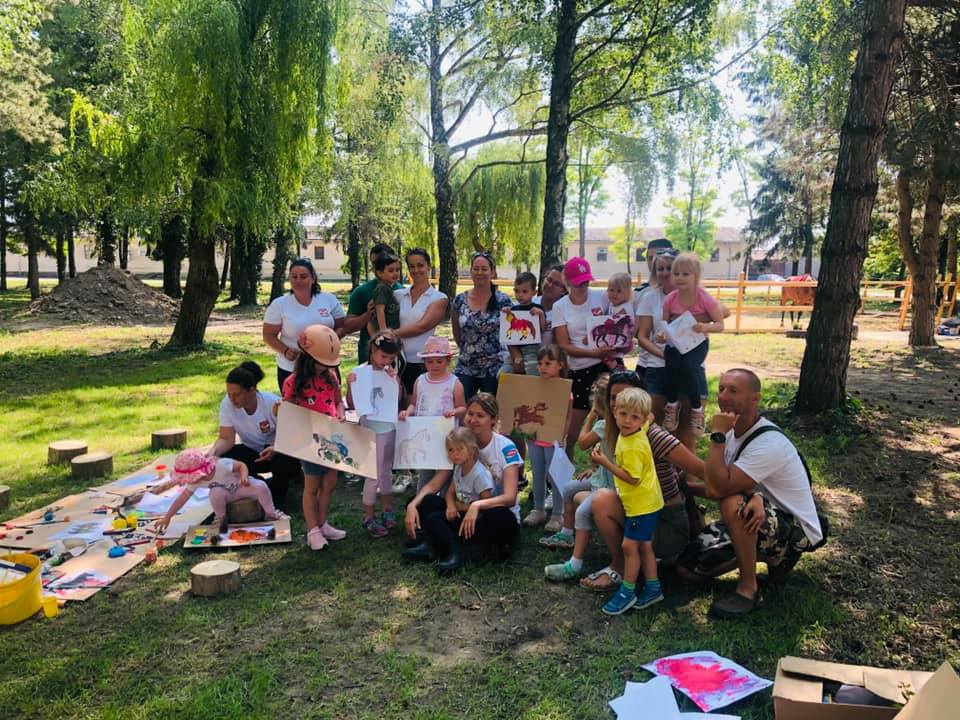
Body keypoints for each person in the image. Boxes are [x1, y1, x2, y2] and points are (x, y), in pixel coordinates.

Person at [676, 368, 825, 619]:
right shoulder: (733, 431)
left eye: (733, 390)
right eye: (721, 389)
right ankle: (769, 557)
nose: (724, 396)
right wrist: (685, 487)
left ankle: (749, 589)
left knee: (733, 502)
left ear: (755, 399)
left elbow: (720, 489)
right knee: (688, 569)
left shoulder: (767, 443)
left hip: (795, 527)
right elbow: (715, 484)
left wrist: (717, 437)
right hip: (759, 514)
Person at [576, 371, 705, 593]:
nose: (621, 402)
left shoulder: (654, 436)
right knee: (585, 497)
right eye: (614, 397)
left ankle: (621, 568)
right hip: (641, 511)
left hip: (665, 522)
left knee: (601, 500)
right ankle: (633, 565)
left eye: (627, 395)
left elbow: (702, 470)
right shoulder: (619, 432)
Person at [403, 393, 522, 569]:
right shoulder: (459, 442)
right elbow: (436, 483)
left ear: (493, 419)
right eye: (470, 414)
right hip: (463, 510)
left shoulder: (505, 447)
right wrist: (412, 505)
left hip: (490, 514)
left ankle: (446, 546)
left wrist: (476, 506)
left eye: (480, 415)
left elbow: (510, 498)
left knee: (500, 516)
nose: (473, 420)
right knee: (426, 501)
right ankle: (441, 545)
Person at [588, 388, 664, 614]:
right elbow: (649, 419)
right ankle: (653, 588)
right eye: (623, 414)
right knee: (645, 546)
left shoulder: (632, 445)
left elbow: (632, 478)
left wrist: (605, 462)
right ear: (614, 412)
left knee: (629, 546)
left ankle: (627, 591)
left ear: (641, 419)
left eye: (634, 417)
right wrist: (645, 416)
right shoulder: (637, 430)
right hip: (648, 502)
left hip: (641, 506)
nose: (627, 421)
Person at [281, 324, 346, 551]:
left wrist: (340, 414)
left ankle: (322, 523)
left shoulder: (331, 378)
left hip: (333, 438)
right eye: (322, 363)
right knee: (312, 486)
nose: (326, 367)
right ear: (308, 358)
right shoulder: (292, 382)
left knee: (329, 484)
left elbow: (338, 401)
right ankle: (313, 530)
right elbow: (288, 412)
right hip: (309, 442)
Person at [551, 257, 625, 456]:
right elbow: (564, 344)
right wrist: (592, 353)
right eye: (578, 282)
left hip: (607, 366)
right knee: (570, 433)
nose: (583, 286)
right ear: (567, 281)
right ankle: (563, 471)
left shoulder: (602, 296)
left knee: (612, 426)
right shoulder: (560, 306)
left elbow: (620, 318)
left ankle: (605, 467)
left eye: (586, 281)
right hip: (580, 370)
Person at [208, 361, 301, 504]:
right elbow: (226, 439)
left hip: (277, 452)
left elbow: (294, 435)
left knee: (287, 460)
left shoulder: (272, 403)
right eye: (229, 394)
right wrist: (213, 453)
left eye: (237, 394)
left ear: (252, 390)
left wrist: (276, 448)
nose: (232, 399)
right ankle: (255, 485)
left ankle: (277, 490)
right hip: (252, 452)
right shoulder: (227, 404)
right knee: (226, 457)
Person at [540, 374, 612, 557]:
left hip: (608, 483)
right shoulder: (608, 423)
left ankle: (577, 557)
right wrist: (594, 469)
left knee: (582, 511)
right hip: (602, 473)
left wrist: (591, 417)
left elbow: (582, 443)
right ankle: (566, 533)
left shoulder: (603, 424)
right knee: (569, 488)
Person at [658, 253, 724, 437]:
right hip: (675, 343)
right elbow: (665, 325)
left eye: (685, 274)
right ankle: (672, 405)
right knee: (670, 367)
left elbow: (720, 325)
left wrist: (705, 326)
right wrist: (662, 336)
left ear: (696, 276)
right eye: (676, 273)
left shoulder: (704, 298)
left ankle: (697, 409)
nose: (680, 278)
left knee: (688, 368)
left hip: (697, 344)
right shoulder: (670, 299)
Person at [415, 428, 496, 574]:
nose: (455, 454)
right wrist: (451, 505)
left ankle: (454, 552)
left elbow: (487, 504)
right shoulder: (459, 467)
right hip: (458, 511)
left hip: (474, 520)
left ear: (471, 449)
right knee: (428, 500)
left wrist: (461, 507)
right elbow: (450, 492)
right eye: (451, 450)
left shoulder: (479, 474)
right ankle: (429, 544)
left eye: (460, 449)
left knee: (434, 519)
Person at [154, 449, 287, 536]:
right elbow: (182, 498)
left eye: (192, 477)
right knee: (215, 492)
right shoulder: (195, 481)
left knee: (261, 486)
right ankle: (221, 518)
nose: (191, 480)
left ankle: (270, 512)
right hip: (226, 495)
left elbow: (241, 465)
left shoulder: (222, 465)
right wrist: (168, 517)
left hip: (241, 487)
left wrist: (244, 477)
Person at [347, 330, 403, 538]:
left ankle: (387, 508)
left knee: (386, 470)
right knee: (373, 474)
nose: (387, 361)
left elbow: (397, 398)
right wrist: (350, 385)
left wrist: (395, 381)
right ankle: (369, 515)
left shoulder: (390, 373)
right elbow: (352, 403)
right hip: (371, 431)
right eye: (383, 356)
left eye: (391, 358)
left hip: (389, 428)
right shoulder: (360, 373)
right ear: (372, 349)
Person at [262, 258, 345, 390]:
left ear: (313, 278)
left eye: (303, 276)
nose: (298, 280)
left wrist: (330, 341)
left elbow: (342, 326)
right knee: (295, 403)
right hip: (292, 368)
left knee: (330, 402)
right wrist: (285, 351)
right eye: (294, 276)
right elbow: (268, 335)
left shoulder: (328, 299)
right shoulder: (279, 304)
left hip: (326, 366)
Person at [399, 335, 467, 490]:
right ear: (424, 362)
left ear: (447, 360)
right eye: (429, 361)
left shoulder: (454, 383)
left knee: (446, 468)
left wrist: (453, 412)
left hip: (446, 434)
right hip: (425, 433)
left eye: (439, 361)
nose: (434, 365)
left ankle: (444, 499)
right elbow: (414, 403)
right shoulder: (420, 381)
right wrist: (407, 412)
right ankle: (422, 498)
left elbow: (463, 407)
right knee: (426, 469)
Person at [521, 345, 571, 532]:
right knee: (538, 473)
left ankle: (558, 513)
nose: (542, 367)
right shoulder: (534, 387)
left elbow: (567, 417)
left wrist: (562, 436)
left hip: (554, 440)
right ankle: (539, 509)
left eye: (548, 363)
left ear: (560, 365)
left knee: (555, 475)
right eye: (540, 363)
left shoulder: (564, 390)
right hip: (535, 438)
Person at [451, 251, 512, 398]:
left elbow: (511, 333)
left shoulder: (503, 301)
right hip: (466, 366)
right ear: (471, 271)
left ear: (493, 272)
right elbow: (457, 333)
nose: (480, 272)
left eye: (484, 269)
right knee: (459, 406)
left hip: (494, 368)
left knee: (492, 409)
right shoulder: (460, 300)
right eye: (476, 269)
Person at [394, 248, 448, 396]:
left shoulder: (439, 298)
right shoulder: (398, 295)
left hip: (423, 362)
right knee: (399, 404)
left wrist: (388, 334)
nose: (416, 270)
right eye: (411, 266)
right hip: (397, 360)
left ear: (428, 266)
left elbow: (421, 327)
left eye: (420, 265)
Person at [344, 242, 399, 365]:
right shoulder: (362, 291)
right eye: (374, 263)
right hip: (369, 356)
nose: (376, 268)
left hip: (396, 353)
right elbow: (347, 327)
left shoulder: (402, 291)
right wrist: (367, 315)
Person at [504, 271, 546, 376]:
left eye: (524, 291)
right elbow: (507, 326)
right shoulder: (513, 309)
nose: (520, 295)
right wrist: (506, 313)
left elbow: (543, 329)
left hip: (531, 349)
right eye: (517, 291)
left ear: (534, 292)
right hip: (514, 348)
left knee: (532, 373)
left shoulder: (538, 309)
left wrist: (541, 315)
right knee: (502, 374)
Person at [603, 272, 636, 370]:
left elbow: (613, 324)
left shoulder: (624, 308)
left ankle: (618, 369)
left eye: (619, 291)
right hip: (614, 345)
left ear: (627, 293)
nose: (615, 294)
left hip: (618, 347)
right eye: (611, 290)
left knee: (615, 369)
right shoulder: (613, 305)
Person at [367, 253, 403, 338]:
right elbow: (380, 311)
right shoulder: (382, 288)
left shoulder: (389, 288)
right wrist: (384, 332)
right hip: (383, 335)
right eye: (391, 271)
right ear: (380, 273)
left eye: (397, 270)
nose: (395, 273)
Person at [534, 264, 568, 347]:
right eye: (549, 280)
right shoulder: (527, 303)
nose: (550, 285)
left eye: (556, 284)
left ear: (564, 291)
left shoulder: (565, 313)